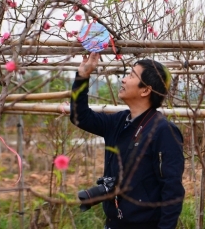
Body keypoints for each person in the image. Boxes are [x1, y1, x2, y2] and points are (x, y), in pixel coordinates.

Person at [70, 53, 185, 229]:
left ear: (145, 90)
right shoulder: (118, 122)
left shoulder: (163, 131)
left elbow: (172, 191)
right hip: (114, 223)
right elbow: (80, 117)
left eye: (131, 75)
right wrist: (83, 77)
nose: (123, 80)